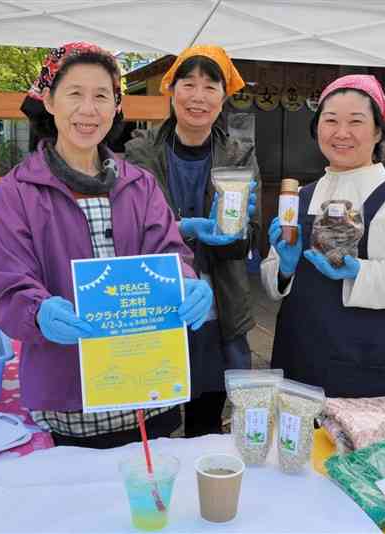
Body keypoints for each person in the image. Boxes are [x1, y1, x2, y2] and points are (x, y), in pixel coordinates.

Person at [0, 42, 213, 449]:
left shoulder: (139, 184)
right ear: (49, 100)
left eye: (102, 95)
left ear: (116, 105)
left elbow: (170, 253)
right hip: (67, 400)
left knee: (153, 503)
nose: (89, 110)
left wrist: (187, 281)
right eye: (75, 94)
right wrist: (38, 311)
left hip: (148, 393)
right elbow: (6, 277)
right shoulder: (18, 191)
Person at [261, 75, 385, 397]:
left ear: (377, 131)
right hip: (297, 360)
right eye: (330, 120)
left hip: (364, 369)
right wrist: (285, 269)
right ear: (317, 128)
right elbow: (271, 282)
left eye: (355, 122)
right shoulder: (300, 197)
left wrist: (360, 271)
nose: (341, 133)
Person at [125, 45, 261, 437]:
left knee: (205, 419)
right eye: (188, 84)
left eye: (210, 86)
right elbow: (134, 229)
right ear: (172, 91)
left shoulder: (239, 154)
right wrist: (186, 228)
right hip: (156, 300)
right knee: (155, 419)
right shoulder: (141, 151)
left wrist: (233, 232)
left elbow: (247, 241)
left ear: (223, 97)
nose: (198, 96)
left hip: (220, 306)